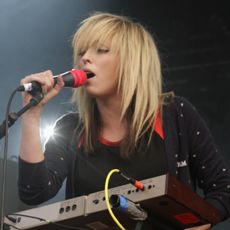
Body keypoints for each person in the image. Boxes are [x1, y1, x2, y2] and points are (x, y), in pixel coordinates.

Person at [18, 13, 230, 229]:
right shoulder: (70, 127)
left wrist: (199, 225)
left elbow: (224, 190)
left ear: (132, 61)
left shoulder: (176, 114)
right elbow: (33, 191)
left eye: (101, 50)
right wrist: (32, 115)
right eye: (82, 52)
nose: (85, 58)